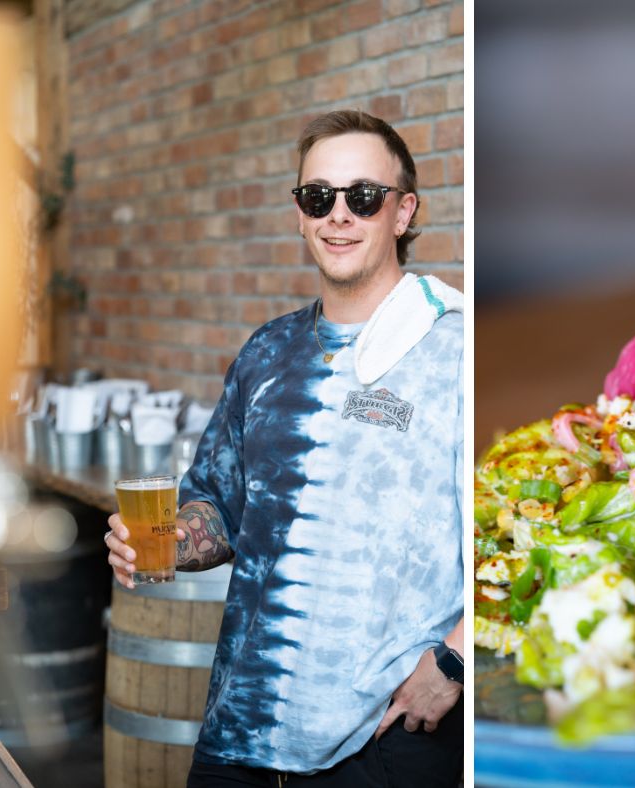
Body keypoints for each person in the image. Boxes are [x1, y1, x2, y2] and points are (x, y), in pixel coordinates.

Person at [105, 109, 464, 787]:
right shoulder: (267, 351)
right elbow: (220, 506)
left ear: (403, 212)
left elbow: (510, 532)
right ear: (299, 214)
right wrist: (167, 539)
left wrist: (454, 662)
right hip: (243, 727)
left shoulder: (455, 349)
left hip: (386, 737)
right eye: (317, 196)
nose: (339, 216)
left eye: (363, 197)